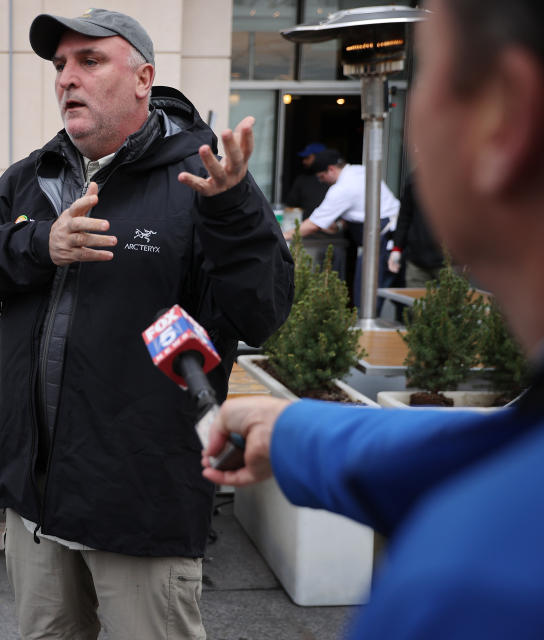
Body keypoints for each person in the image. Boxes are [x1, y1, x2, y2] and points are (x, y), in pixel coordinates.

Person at [0, 8, 293, 639]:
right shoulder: (36, 176)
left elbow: (261, 312)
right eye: (59, 66)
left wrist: (235, 213)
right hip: (35, 503)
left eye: (90, 61)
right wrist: (39, 245)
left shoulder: (204, 179)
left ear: (143, 78)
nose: (66, 79)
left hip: (141, 508)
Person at [205, 0, 544, 637]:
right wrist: (296, 430)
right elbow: (497, 445)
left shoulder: (466, 590)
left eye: (431, 67)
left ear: (504, 118)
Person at [288, 148, 400, 305]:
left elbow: (313, 225)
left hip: (381, 239)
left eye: (322, 177)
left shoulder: (343, 188)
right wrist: (340, 225)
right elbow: (362, 207)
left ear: (331, 169)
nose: (322, 181)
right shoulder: (359, 171)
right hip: (391, 235)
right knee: (380, 291)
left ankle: (366, 328)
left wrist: (282, 235)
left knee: (367, 296)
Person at [387, 171, 443, 286]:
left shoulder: (458, 179)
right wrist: (397, 248)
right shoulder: (414, 179)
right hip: (417, 259)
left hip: (449, 260)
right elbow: (404, 217)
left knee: (451, 302)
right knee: (414, 301)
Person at [284, 142, 330, 218]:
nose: (304, 161)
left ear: (319, 157)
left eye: (307, 158)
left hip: (330, 227)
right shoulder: (302, 180)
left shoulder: (334, 180)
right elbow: (291, 205)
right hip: (306, 226)